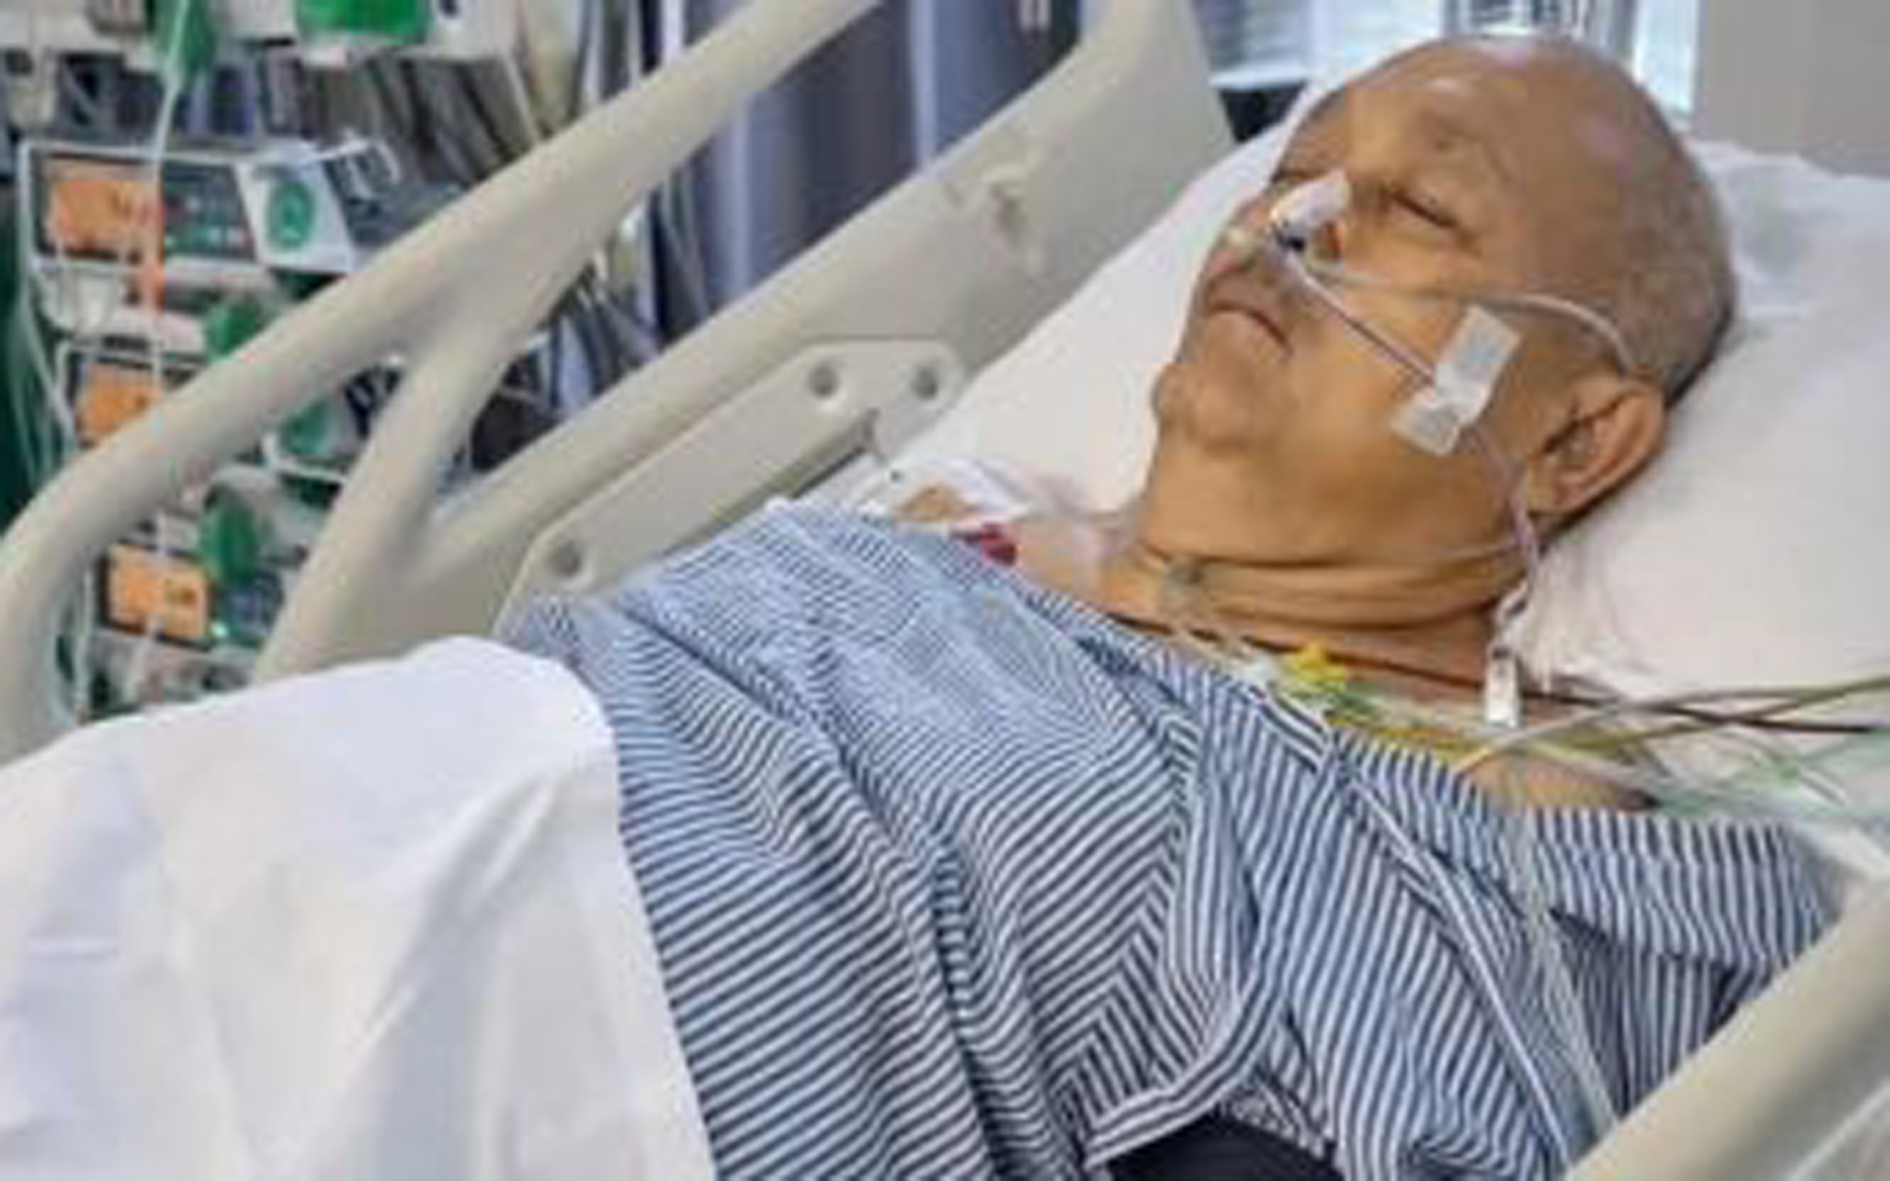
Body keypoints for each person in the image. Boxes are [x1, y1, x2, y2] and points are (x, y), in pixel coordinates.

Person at [507, 36, 1827, 1181]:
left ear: (1574, 445)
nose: (1291, 222)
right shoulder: (943, 529)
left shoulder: (1512, 831)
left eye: (1424, 208)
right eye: (1289, 172)